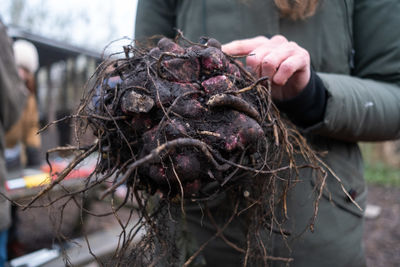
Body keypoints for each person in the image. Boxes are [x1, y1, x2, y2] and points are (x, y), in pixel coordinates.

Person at [135, 1, 400, 266]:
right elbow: (142, 72)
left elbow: (393, 97)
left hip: (318, 230)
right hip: (194, 227)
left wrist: (311, 95)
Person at [0, 20, 27, 267]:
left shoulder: (31, 96)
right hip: (9, 160)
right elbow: (10, 112)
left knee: (16, 207)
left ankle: (16, 243)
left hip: (18, 160)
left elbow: (31, 133)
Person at [5, 39, 42, 170]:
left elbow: (32, 126)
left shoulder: (29, 99)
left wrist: (33, 149)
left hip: (14, 157)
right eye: (18, 67)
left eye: (25, 70)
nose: (21, 74)